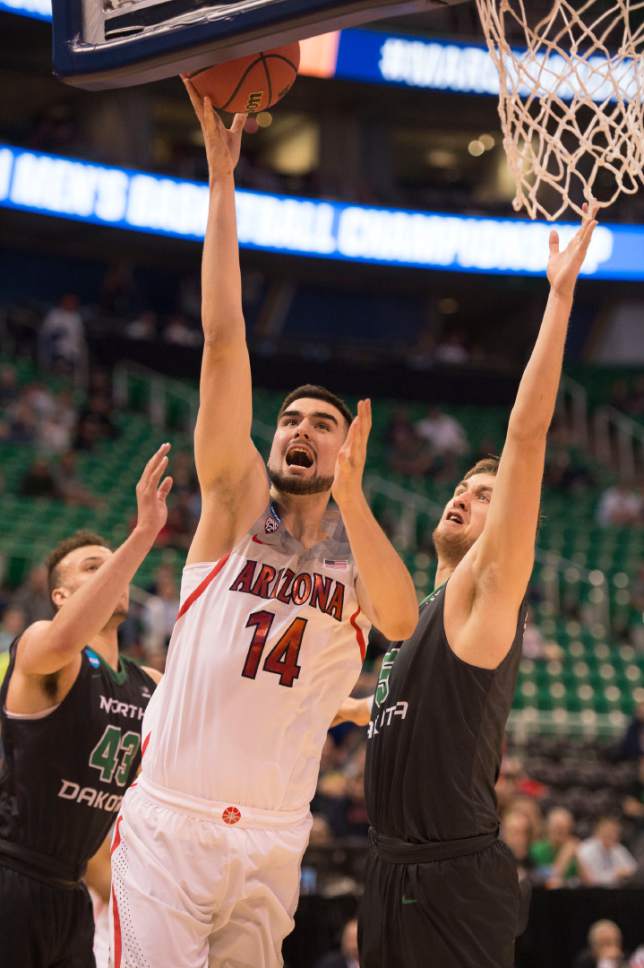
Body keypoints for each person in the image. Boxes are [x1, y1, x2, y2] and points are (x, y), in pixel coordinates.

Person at [109, 84, 418, 968]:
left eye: (320, 424)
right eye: (288, 420)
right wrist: (220, 179)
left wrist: (354, 496)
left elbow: (400, 625)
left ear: (346, 448)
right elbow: (221, 341)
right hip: (173, 821)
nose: (297, 432)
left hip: (276, 837)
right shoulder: (237, 506)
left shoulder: (358, 557)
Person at [359, 203, 600, 968]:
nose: (465, 493)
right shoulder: (426, 611)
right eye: (463, 484)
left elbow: (525, 437)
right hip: (390, 866)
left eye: (485, 491)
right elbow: (414, 708)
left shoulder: (485, 592)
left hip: (450, 878)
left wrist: (558, 301)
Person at [0, 445, 172, 968]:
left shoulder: (151, 684)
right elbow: (60, 642)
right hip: (11, 874)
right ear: (59, 595)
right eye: (94, 567)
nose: (111, 574)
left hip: (72, 893)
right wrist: (141, 536)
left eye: (111, 563)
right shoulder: (40, 648)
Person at [530, 806, 583, 887]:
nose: (559, 832)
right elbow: (550, 878)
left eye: (563, 828)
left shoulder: (577, 849)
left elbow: (586, 881)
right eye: (556, 827)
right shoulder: (537, 849)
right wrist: (566, 854)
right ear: (548, 827)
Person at [577, 817, 637, 887]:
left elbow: (633, 870)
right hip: (592, 892)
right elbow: (591, 880)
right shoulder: (586, 849)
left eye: (615, 832)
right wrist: (616, 874)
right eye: (608, 831)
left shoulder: (618, 848)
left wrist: (622, 873)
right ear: (598, 831)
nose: (613, 835)